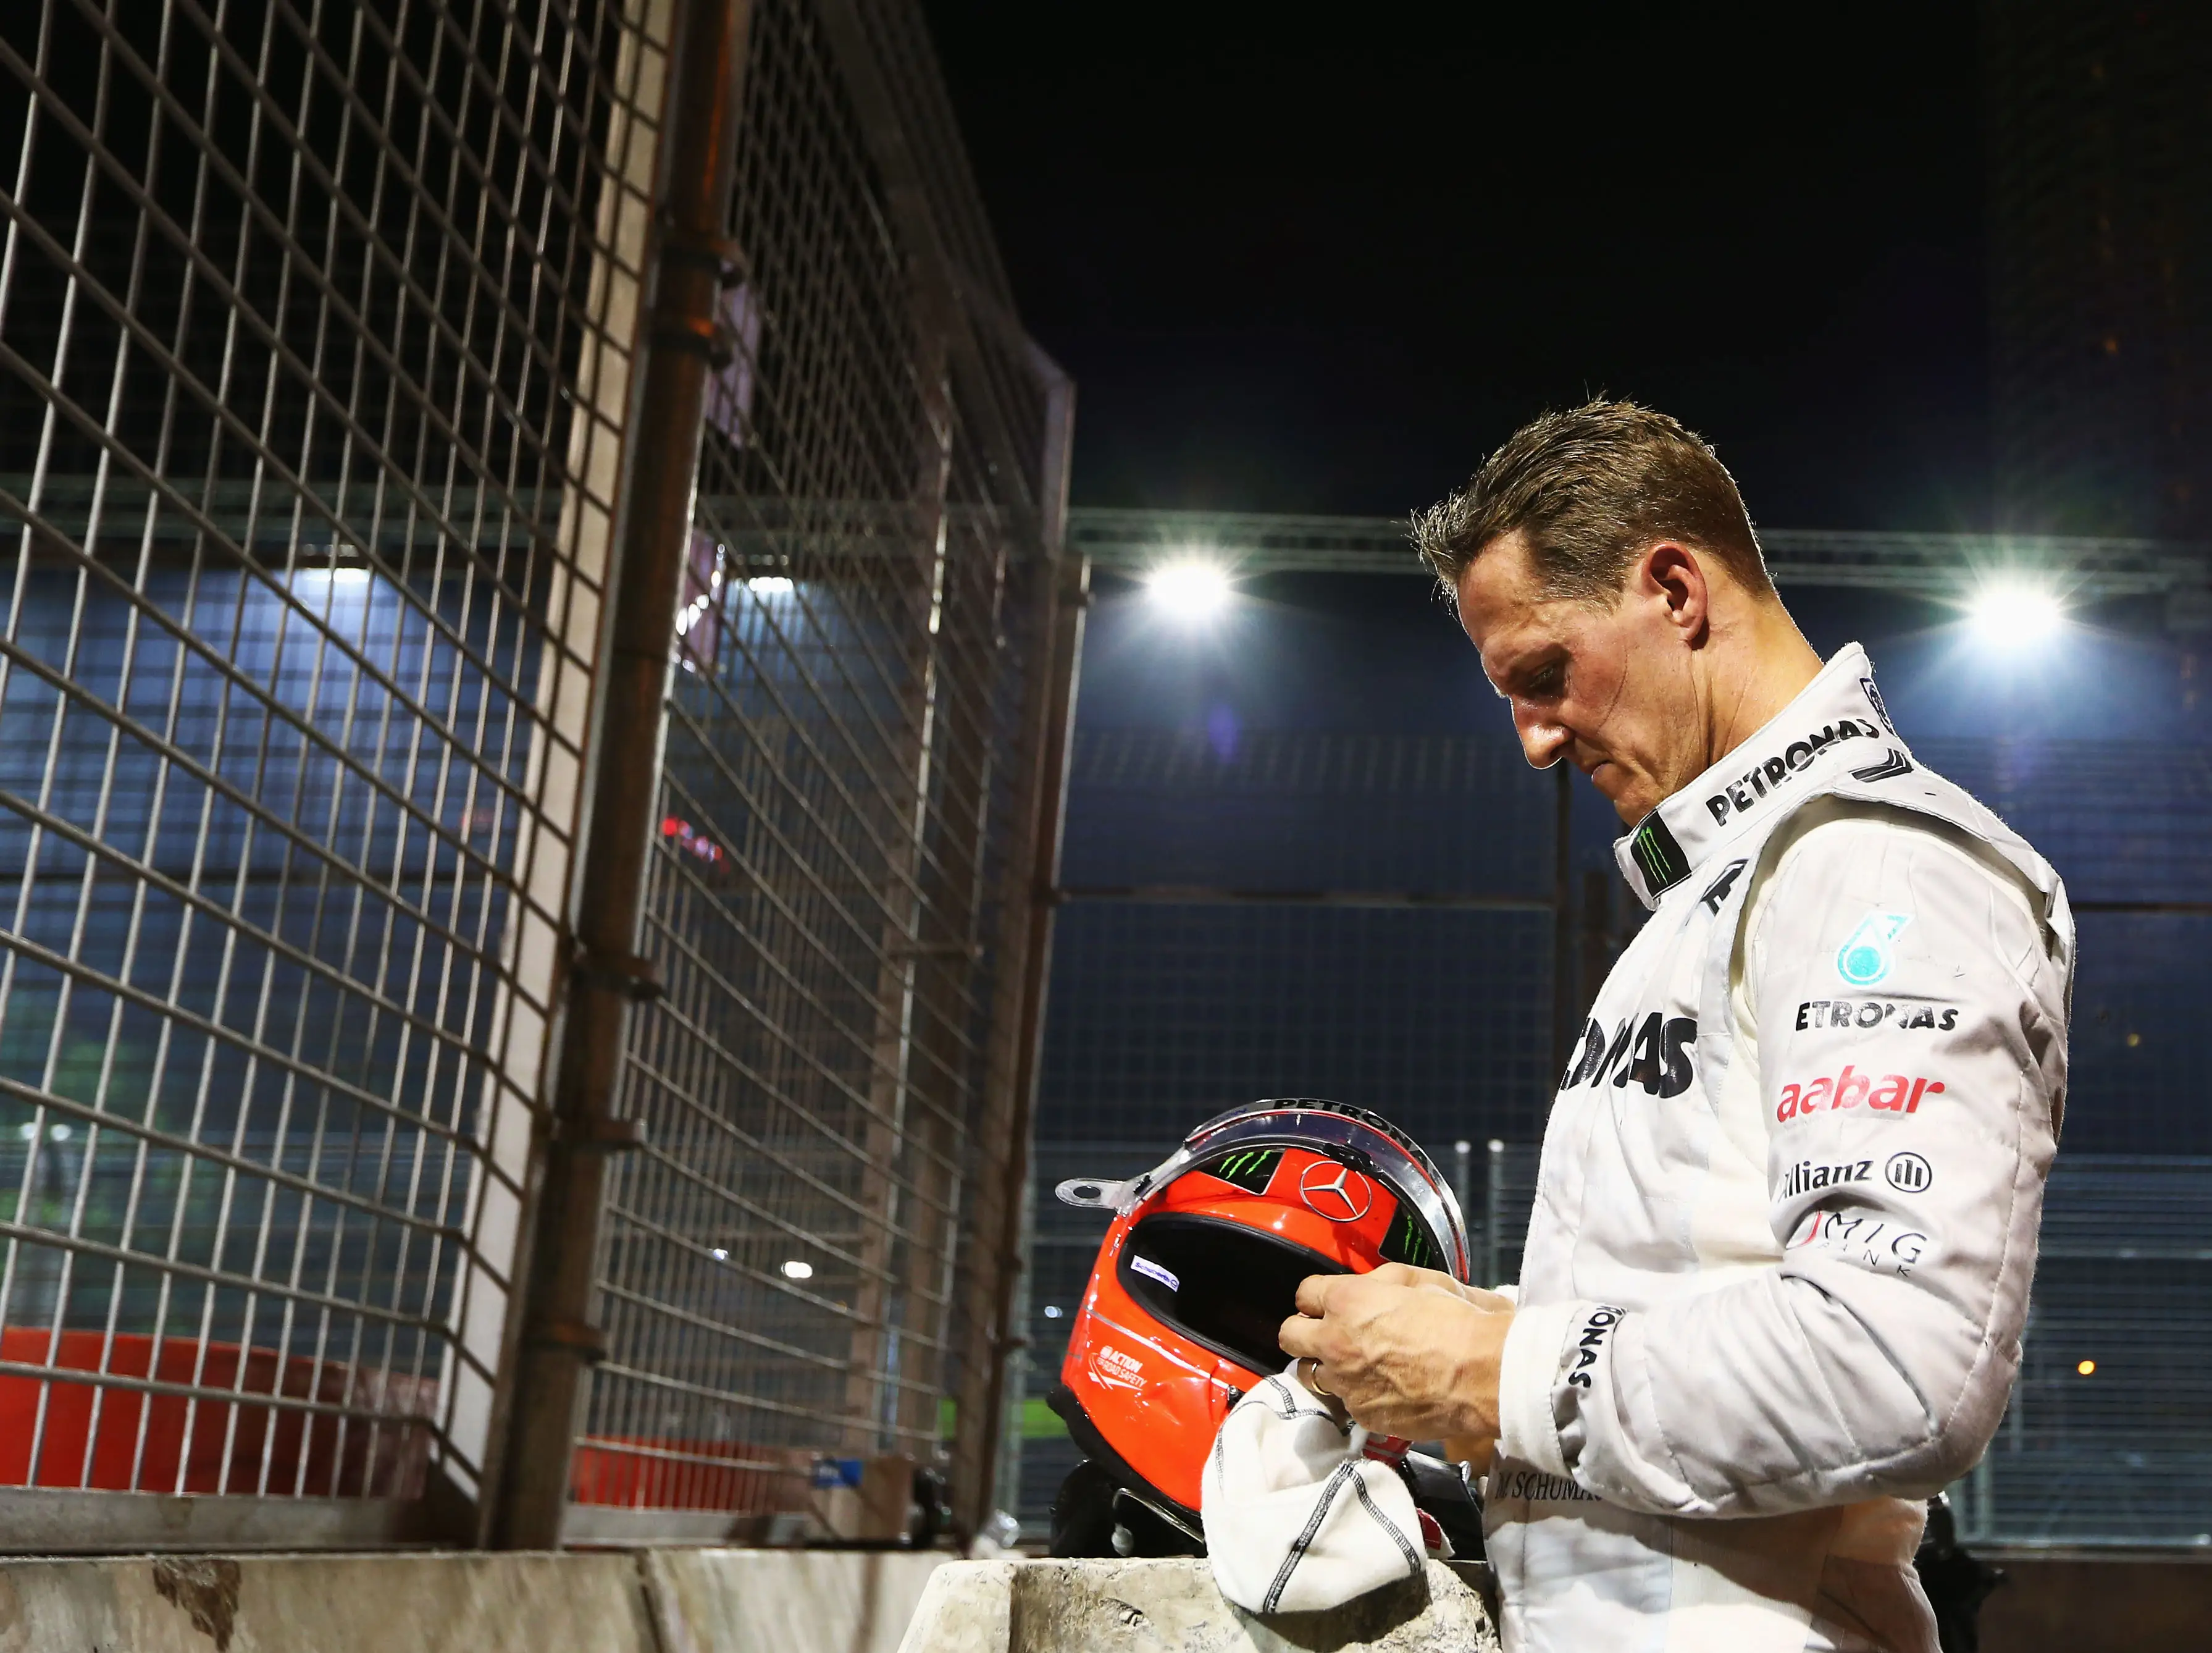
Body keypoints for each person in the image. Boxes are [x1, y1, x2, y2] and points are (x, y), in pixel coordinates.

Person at [1278, 402, 2072, 1653]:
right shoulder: (1717, 896)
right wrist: (1482, 1336)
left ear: (1675, 590)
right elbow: (1693, 1300)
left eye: (1546, 674)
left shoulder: (1879, 866)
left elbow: (1896, 1363)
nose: (1535, 739)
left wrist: (1489, 1373)